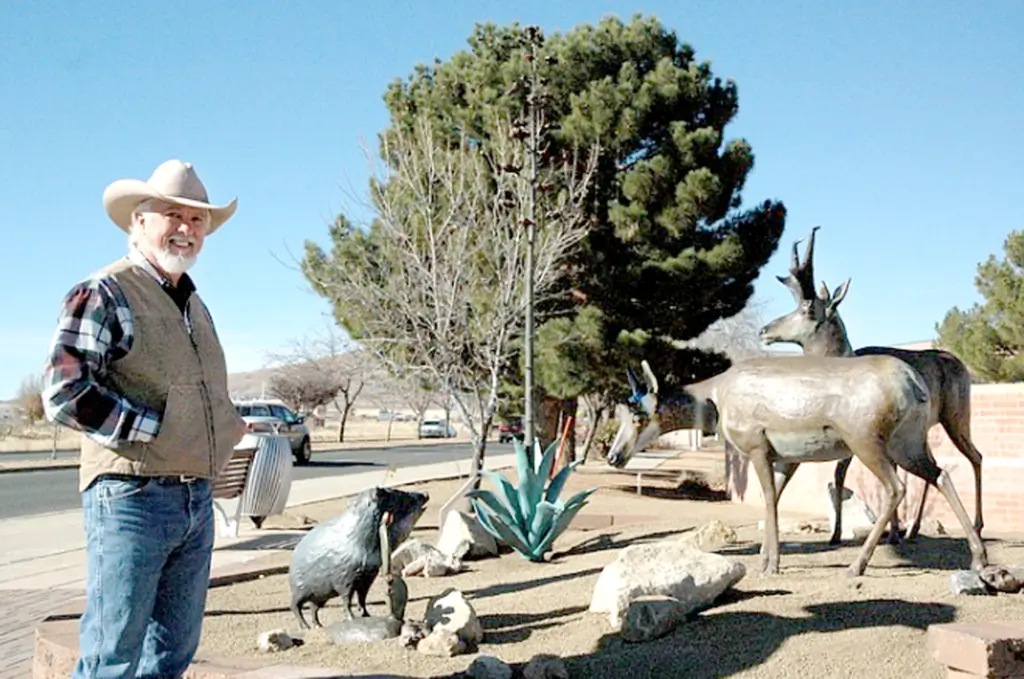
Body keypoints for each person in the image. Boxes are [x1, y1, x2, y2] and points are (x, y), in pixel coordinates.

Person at [41, 159, 248, 678]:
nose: (187, 228)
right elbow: (63, 391)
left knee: (171, 657)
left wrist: (222, 426)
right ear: (139, 220)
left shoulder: (194, 305)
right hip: (130, 497)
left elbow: (191, 391)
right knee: (112, 658)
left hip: (194, 501)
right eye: (172, 214)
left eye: (198, 220)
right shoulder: (105, 290)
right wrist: (156, 429)